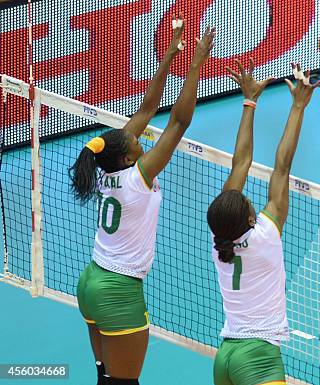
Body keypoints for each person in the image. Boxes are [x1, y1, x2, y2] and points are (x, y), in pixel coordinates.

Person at [69, 17, 216, 385]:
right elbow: (178, 123)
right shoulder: (138, 177)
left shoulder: (105, 169)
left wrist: (170, 54)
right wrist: (196, 64)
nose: (141, 140)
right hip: (118, 291)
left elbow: (149, 108)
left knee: (105, 375)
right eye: (136, 142)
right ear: (127, 158)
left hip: (91, 282)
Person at [208, 62, 318, 385]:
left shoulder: (219, 239)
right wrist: (298, 106)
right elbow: (281, 167)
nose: (247, 198)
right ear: (251, 217)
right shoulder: (265, 235)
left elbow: (240, 163)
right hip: (257, 359)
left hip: (226, 356)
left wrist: (249, 102)